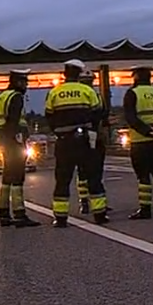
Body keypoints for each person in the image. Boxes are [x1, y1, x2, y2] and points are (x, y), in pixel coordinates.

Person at [45, 59, 109, 226]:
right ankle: (100, 214)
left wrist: (59, 131)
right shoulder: (87, 91)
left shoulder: (55, 92)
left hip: (64, 142)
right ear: (79, 74)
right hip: (86, 141)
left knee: (63, 180)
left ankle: (60, 218)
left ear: (64, 74)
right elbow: (98, 113)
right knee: (93, 177)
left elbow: (49, 116)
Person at [0, 69, 41, 228]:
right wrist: (19, 140)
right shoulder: (16, 97)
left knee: (6, 179)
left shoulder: (0, 97)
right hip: (14, 143)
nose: (26, 85)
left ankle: (3, 214)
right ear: (18, 82)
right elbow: (13, 121)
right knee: (18, 178)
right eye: (25, 82)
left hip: (2, 143)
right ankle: (20, 214)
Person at [123, 65, 153, 219]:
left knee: (143, 175)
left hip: (140, 140)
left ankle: (145, 208)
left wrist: (146, 131)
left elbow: (131, 118)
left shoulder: (132, 93)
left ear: (135, 77)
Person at [75, 69, 112, 214]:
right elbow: (101, 114)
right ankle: (88, 201)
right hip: (91, 135)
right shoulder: (95, 95)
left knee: (87, 171)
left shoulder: (86, 95)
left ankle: (91, 201)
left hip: (88, 136)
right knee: (90, 170)